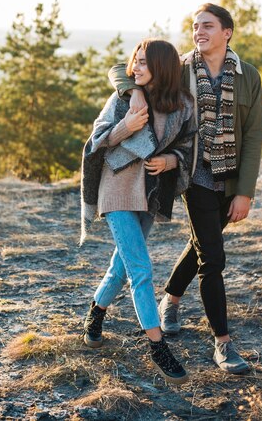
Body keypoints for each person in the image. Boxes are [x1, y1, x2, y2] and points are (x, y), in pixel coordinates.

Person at [109, 4, 262, 375]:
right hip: (192, 176)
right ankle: (223, 343)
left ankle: (171, 298)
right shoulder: (178, 67)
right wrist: (135, 93)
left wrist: (245, 192)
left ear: (227, 32)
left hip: (229, 178)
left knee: (202, 246)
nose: (199, 32)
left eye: (207, 26)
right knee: (213, 257)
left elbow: (254, 134)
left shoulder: (248, 76)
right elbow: (121, 69)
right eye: (195, 26)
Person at [80, 39, 196, 384]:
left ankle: (95, 312)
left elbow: (188, 146)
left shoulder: (182, 106)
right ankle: (157, 346)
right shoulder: (122, 99)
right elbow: (95, 142)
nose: (135, 68)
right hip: (115, 191)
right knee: (141, 270)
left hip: (149, 194)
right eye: (135, 61)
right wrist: (125, 128)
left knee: (122, 265)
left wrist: (170, 159)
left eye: (144, 63)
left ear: (162, 68)